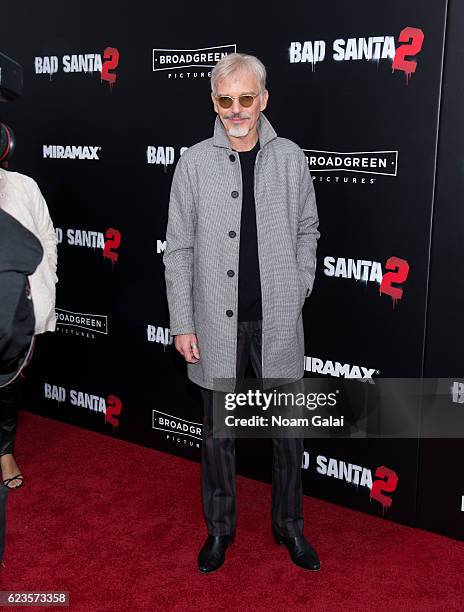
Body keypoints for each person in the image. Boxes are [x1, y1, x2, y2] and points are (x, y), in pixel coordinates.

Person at [163, 53, 320, 573]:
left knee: (287, 435)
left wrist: (297, 288)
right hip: (215, 322)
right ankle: (220, 531)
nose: (236, 110)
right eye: (225, 100)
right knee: (220, 437)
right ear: (214, 102)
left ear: (263, 100)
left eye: (246, 98)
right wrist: (183, 322)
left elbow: (306, 231)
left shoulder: (291, 158)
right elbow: (179, 248)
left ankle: (290, 527)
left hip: (277, 322)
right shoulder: (192, 162)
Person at [0, 165, 58, 489]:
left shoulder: (24, 186)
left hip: (16, 309)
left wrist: (46, 277)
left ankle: (5, 452)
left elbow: (46, 238)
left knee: (7, 384)